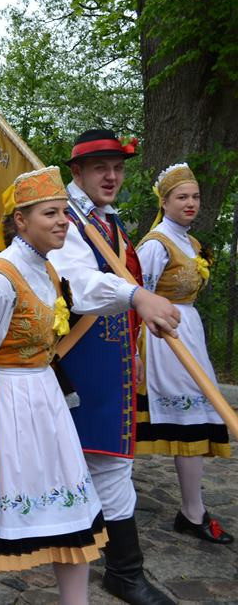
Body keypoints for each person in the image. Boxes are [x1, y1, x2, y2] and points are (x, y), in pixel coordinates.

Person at [0, 167, 108, 605]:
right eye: (50, 213)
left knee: (69, 502)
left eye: (65, 213)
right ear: (20, 221)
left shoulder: (47, 272)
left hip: (44, 400)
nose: (62, 221)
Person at [48, 129, 180, 605]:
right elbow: (76, 284)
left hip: (112, 358)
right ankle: (114, 572)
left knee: (109, 464)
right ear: (77, 172)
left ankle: (119, 570)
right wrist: (135, 295)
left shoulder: (108, 222)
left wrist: (136, 349)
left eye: (118, 167)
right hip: (80, 360)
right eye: (101, 167)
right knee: (94, 463)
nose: (111, 175)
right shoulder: (64, 218)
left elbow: (125, 292)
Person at [135, 163, 232, 544]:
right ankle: (191, 512)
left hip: (187, 331)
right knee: (185, 419)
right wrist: (138, 349)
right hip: (163, 339)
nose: (190, 203)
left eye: (194, 197)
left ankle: (192, 509)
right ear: (165, 201)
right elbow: (135, 299)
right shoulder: (156, 244)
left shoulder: (189, 242)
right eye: (182, 197)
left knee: (196, 417)